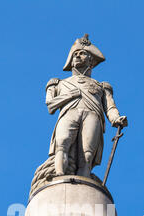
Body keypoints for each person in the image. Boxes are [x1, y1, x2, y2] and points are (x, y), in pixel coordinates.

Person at [46, 34, 127, 178]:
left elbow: (110, 107)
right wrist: (70, 95)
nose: (77, 56)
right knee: (62, 143)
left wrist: (116, 119)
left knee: (87, 154)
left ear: (91, 61)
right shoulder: (58, 83)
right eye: (75, 54)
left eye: (82, 53)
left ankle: (83, 181)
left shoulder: (101, 86)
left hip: (92, 115)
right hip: (69, 113)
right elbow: (50, 105)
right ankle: (59, 176)